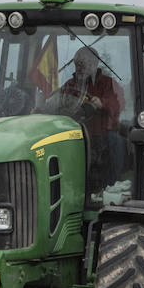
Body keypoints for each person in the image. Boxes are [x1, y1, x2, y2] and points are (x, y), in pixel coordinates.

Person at [49, 46, 124, 186]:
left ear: (95, 64)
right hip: (74, 135)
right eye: (78, 64)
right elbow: (58, 104)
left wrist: (103, 103)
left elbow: (118, 104)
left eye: (85, 64)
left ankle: (111, 186)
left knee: (116, 141)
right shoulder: (69, 86)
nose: (80, 68)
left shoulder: (107, 83)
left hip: (102, 134)